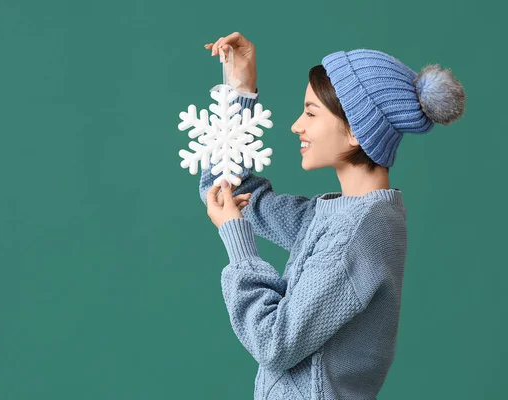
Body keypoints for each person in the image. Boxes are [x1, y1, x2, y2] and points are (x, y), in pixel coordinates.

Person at [200, 32, 466, 399]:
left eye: (311, 112)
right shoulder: (341, 216)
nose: (297, 125)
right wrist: (240, 90)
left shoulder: (358, 232)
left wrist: (239, 242)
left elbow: (273, 342)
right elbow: (226, 187)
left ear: (356, 129)